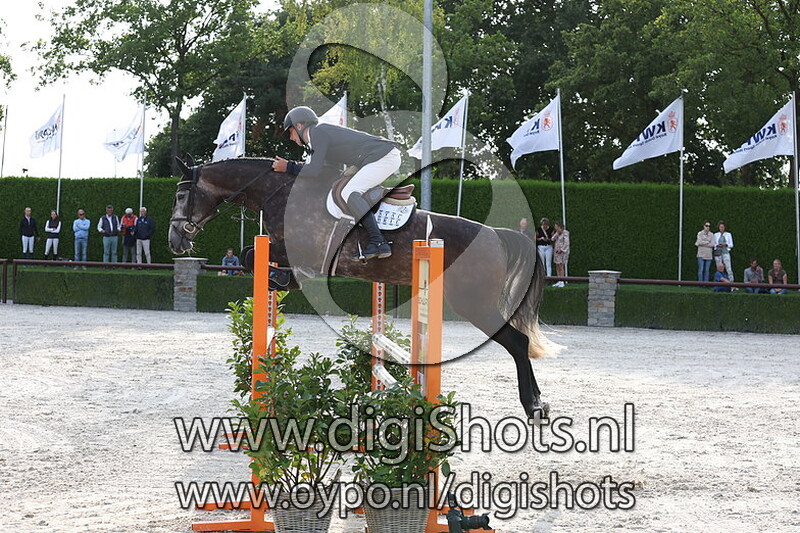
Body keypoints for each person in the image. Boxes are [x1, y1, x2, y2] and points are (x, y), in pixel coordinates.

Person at [272, 105, 401, 260]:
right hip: (377, 157)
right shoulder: (319, 137)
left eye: (290, 132)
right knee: (344, 189)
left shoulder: (317, 132)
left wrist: (288, 166)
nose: (291, 138)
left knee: (349, 192)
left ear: (299, 126)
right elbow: (327, 172)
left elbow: (314, 170)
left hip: (384, 157)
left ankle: (379, 242)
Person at [552, 221, 570, 288]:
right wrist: (556, 234)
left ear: (560, 227)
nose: (555, 227)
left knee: (560, 266)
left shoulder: (565, 233)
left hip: (562, 252)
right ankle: (559, 280)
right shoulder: (557, 233)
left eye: (556, 226)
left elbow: (566, 243)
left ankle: (562, 281)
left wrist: (562, 250)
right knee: (557, 265)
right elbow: (552, 239)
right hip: (556, 251)